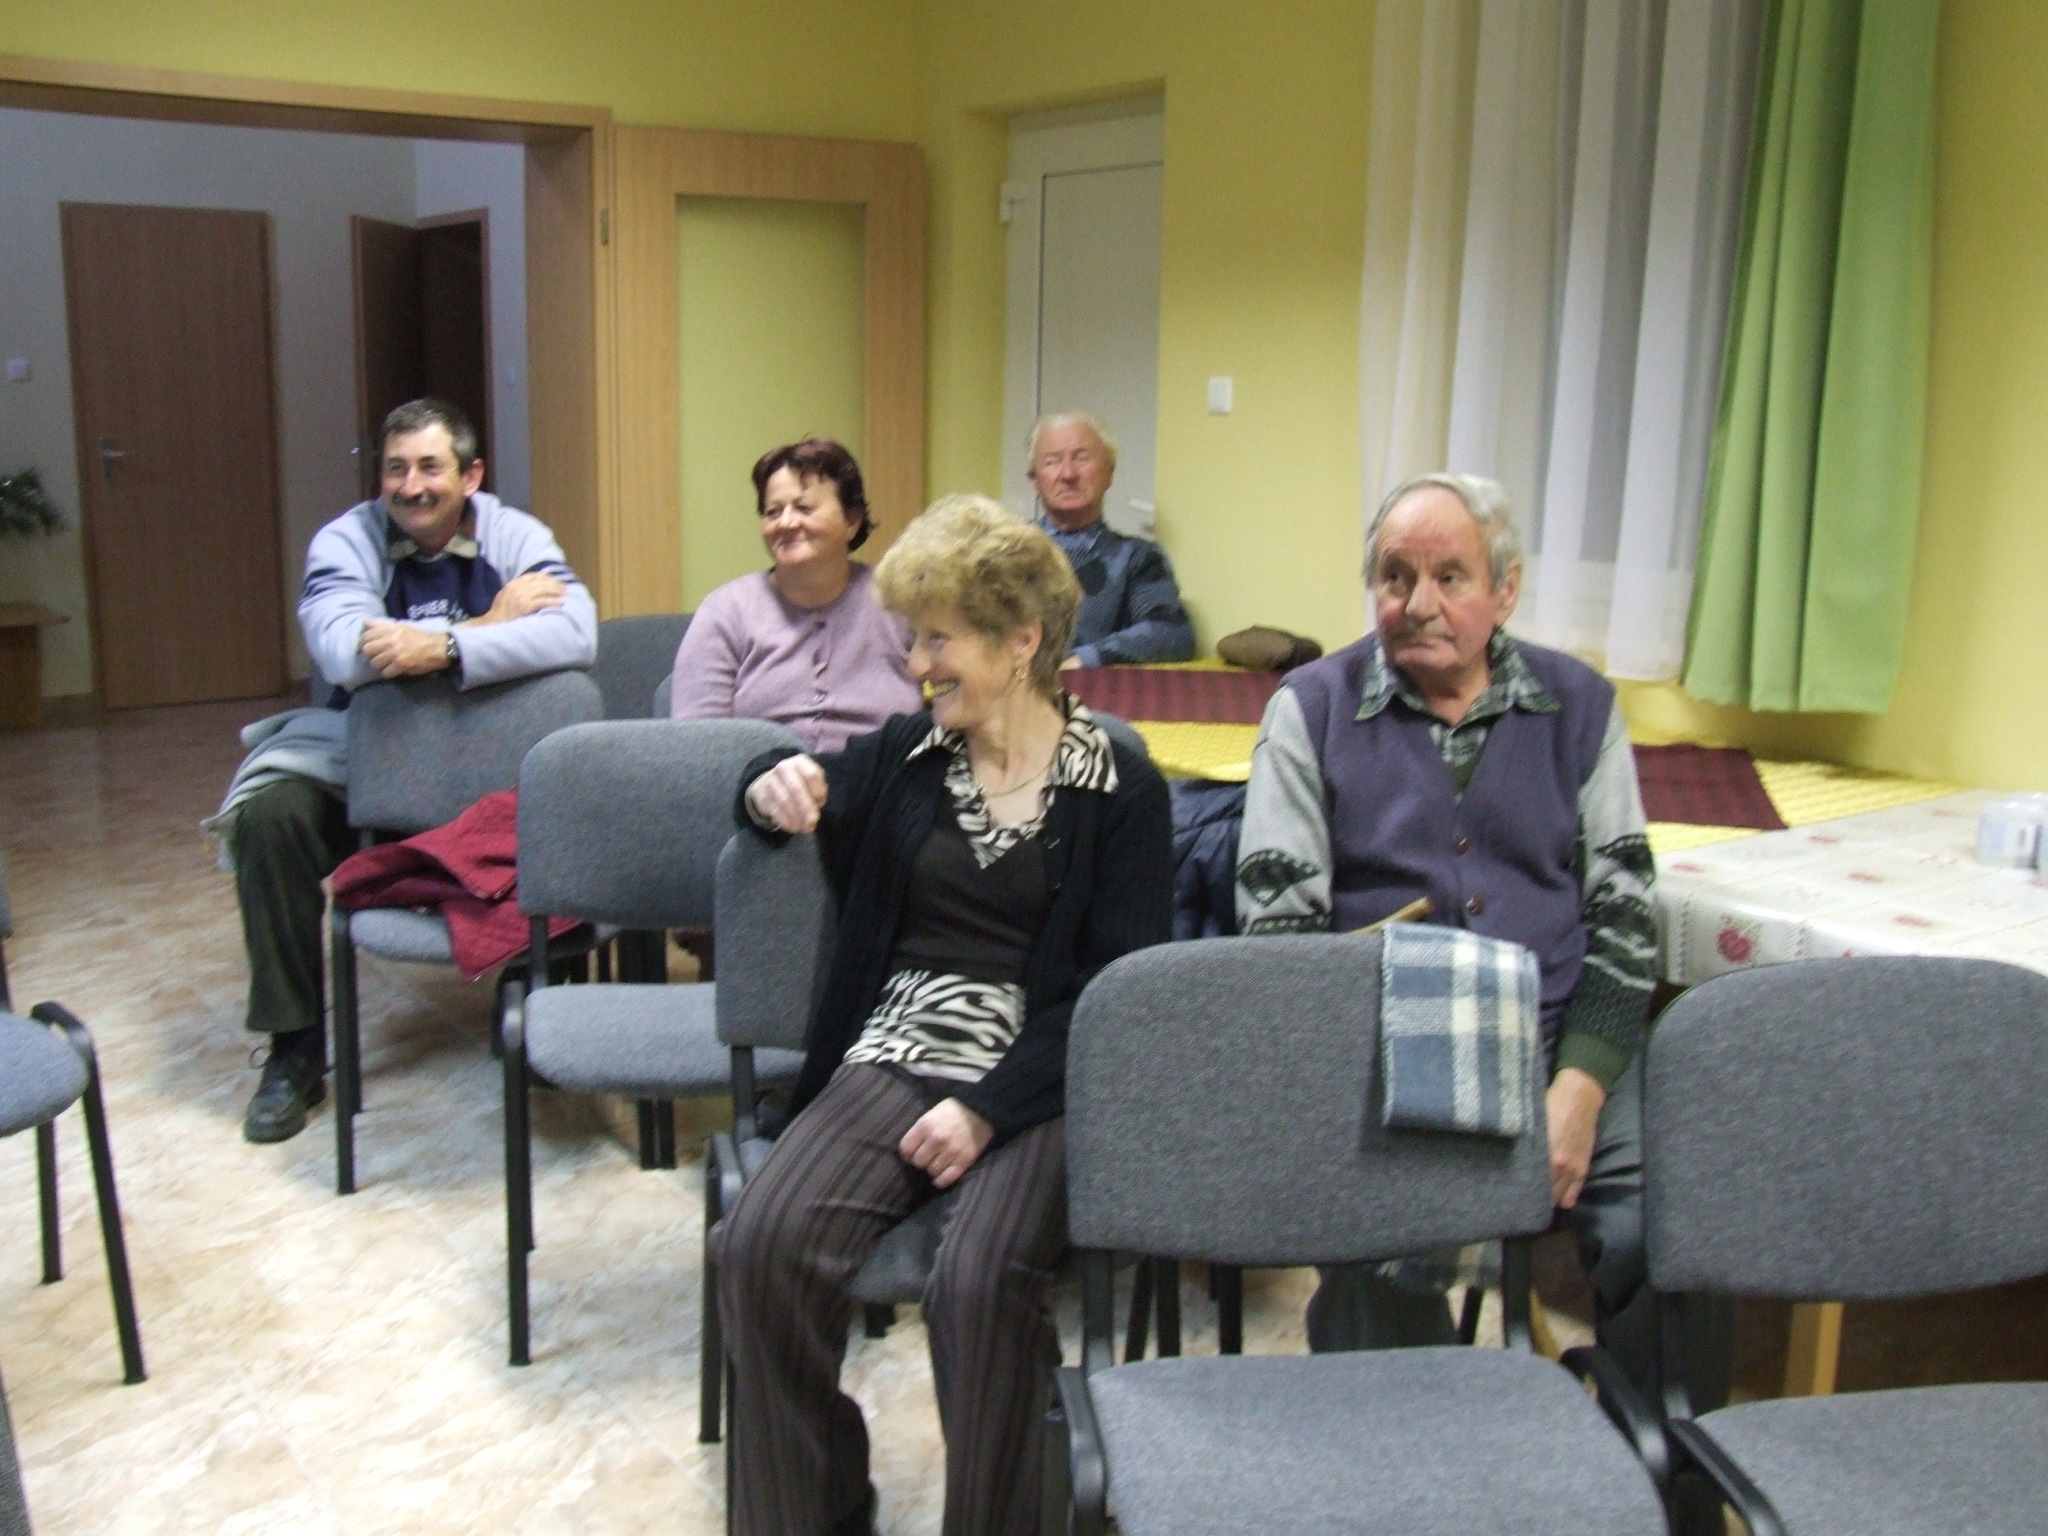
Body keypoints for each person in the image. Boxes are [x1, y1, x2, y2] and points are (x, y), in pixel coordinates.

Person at [720, 494, 1172, 1536]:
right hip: (899, 1045)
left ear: (1022, 642)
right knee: (761, 1244)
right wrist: (765, 781)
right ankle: (813, 1514)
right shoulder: (903, 759)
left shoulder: (1120, 790)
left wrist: (986, 1108)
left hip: (1044, 1077)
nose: (918, 663)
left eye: (939, 639)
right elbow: (773, 780)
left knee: (975, 1282)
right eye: (915, 637)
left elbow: (1117, 993)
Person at [1234, 471, 1708, 1400]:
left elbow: (1623, 912)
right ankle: (1407, 1457)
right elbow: (1278, 943)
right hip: (1388, 1050)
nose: (1418, 603)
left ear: (1506, 589)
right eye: (1394, 576)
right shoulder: (1309, 709)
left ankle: (1653, 1459)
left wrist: (1580, 1087)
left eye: (1450, 577)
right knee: (1376, 1243)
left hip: (1560, 1035)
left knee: (1678, 1223)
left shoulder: (1581, 707)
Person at [226, 399, 596, 1144]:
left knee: (572, 809)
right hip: (367, 767)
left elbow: (577, 633)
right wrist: (485, 628)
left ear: (471, 476)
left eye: (430, 466)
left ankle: (538, 1003)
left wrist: (437, 649)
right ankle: (295, 1050)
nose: (412, 485)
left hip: (488, 769)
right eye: (396, 468)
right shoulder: (346, 540)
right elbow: (347, 653)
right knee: (268, 820)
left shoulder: (514, 534)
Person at [668, 437, 920, 752]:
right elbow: (696, 746)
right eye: (773, 512)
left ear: (852, 521)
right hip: (758, 779)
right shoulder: (726, 611)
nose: (786, 523)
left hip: (885, 779)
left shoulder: (899, 602)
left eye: (804, 508)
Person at [1026, 411, 1195, 668]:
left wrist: (1084, 659)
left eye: (1082, 458)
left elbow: (1171, 632)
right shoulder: (1001, 554)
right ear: (1034, 480)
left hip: (1087, 688)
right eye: (1052, 462)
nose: (1068, 473)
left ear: (1109, 473)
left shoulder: (1137, 558)